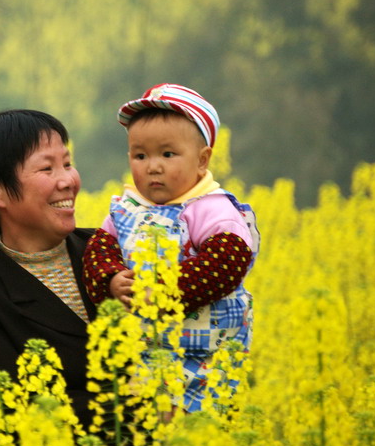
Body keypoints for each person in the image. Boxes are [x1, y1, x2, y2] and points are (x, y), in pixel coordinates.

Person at [82, 83, 260, 412]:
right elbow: (98, 251)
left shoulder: (210, 208)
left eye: (168, 154)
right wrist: (110, 279)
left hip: (203, 354)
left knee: (189, 433)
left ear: (202, 160)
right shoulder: (126, 209)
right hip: (144, 353)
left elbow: (228, 262)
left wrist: (164, 289)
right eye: (140, 155)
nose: (153, 166)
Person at [0, 109, 97, 426]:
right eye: (47, 168)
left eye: (68, 163)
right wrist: (143, 402)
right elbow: (14, 417)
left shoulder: (109, 247)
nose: (68, 180)